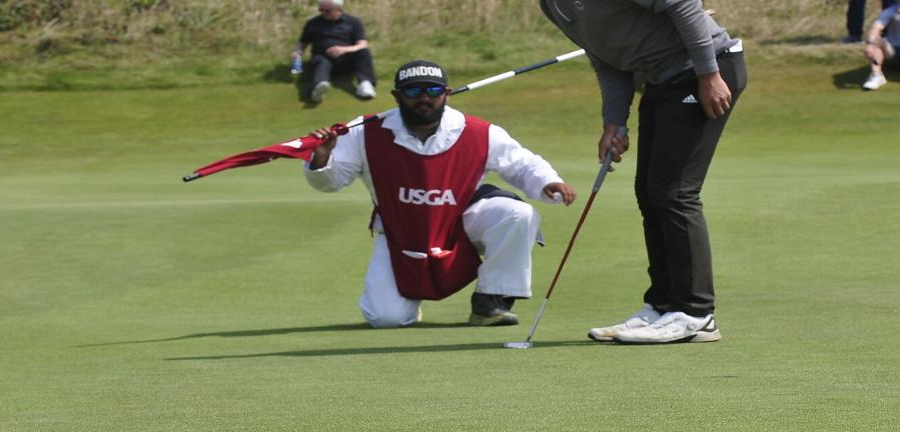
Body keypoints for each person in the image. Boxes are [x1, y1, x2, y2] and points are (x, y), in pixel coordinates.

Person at [303, 60, 578, 328]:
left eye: (432, 91)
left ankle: (492, 300)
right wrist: (321, 160)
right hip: (400, 234)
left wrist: (547, 181)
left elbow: (522, 163)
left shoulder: (480, 132)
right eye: (413, 91)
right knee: (386, 318)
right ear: (397, 96)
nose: (424, 98)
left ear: (446, 93)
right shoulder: (364, 133)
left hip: (461, 223)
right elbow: (329, 183)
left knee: (518, 214)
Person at [539, 0, 746, 345]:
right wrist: (614, 121)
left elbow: (684, 7)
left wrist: (708, 74)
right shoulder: (553, 5)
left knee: (674, 192)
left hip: (705, 68)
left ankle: (696, 313)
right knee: (650, 193)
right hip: (661, 79)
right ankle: (664, 305)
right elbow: (606, 59)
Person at [295, 0, 377, 102]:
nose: (323, 13)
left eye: (327, 11)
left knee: (363, 52)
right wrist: (297, 52)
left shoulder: (353, 22)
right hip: (323, 58)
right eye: (321, 10)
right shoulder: (312, 23)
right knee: (320, 60)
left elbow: (362, 44)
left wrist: (343, 50)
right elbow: (302, 43)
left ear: (339, 9)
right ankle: (319, 87)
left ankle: (365, 84)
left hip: (347, 60)